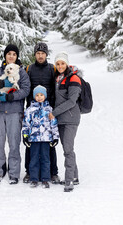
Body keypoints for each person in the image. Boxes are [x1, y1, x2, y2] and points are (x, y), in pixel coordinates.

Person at [0, 44, 30, 184]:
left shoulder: (21, 73)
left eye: (14, 54)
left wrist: (11, 97)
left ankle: (14, 173)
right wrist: (0, 84)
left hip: (14, 112)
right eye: (9, 53)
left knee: (14, 143)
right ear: (5, 56)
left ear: (17, 57)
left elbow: (26, 90)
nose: (11, 56)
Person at [23, 42, 61, 184]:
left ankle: (53, 172)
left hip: (48, 110)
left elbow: (56, 87)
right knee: (31, 144)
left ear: (46, 55)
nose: (40, 56)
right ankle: (29, 172)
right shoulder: (29, 69)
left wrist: (54, 109)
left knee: (49, 143)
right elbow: (26, 88)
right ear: (35, 54)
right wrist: (27, 108)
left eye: (43, 53)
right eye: (38, 53)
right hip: (32, 110)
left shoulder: (52, 68)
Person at [49, 51, 81, 192]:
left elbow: (72, 101)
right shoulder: (58, 78)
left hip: (70, 118)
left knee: (68, 150)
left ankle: (69, 181)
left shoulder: (73, 78)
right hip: (61, 119)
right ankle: (74, 176)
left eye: (62, 63)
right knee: (67, 148)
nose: (60, 66)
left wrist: (54, 113)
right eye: (58, 63)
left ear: (67, 64)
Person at [22, 85, 59, 188]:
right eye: (37, 95)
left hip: (46, 138)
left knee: (45, 159)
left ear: (45, 96)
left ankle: (45, 178)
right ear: (34, 96)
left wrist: (55, 137)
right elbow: (26, 123)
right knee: (33, 159)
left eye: (41, 95)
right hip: (34, 139)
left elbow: (53, 124)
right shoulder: (30, 109)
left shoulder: (49, 109)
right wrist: (25, 136)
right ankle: (34, 178)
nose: (39, 97)